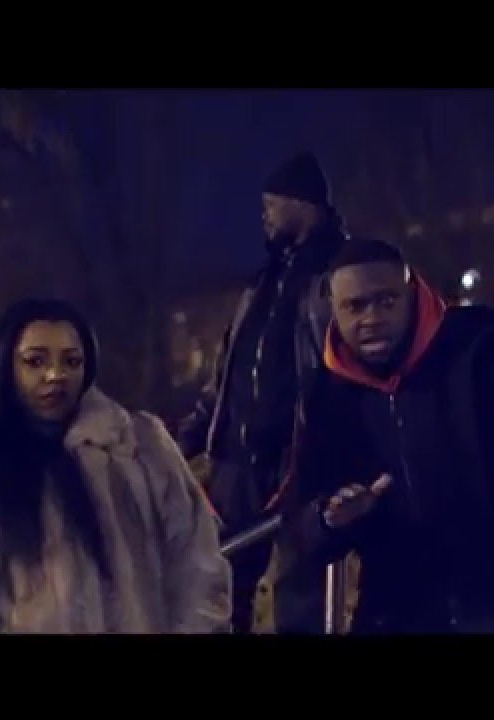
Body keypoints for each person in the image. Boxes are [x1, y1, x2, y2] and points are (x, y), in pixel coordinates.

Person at [274, 238, 494, 633]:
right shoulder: (329, 399)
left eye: (386, 301)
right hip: (401, 617)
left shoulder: (487, 360)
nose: (372, 318)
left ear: (412, 296)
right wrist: (330, 519)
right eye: (356, 306)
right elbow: (298, 528)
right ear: (333, 312)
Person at [0, 298, 231, 633]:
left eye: (71, 361)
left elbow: (201, 572)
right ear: (3, 366)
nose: (56, 375)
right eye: (35, 361)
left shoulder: (141, 451)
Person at [176, 151, 348, 633]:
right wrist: (191, 436)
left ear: (303, 204)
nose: (265, 215)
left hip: (296, 461)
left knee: (299, 590)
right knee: (220, 585)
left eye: (273, 205)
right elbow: (228, 372)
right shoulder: (262, 282)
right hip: (236, 463)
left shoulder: (333, 277)